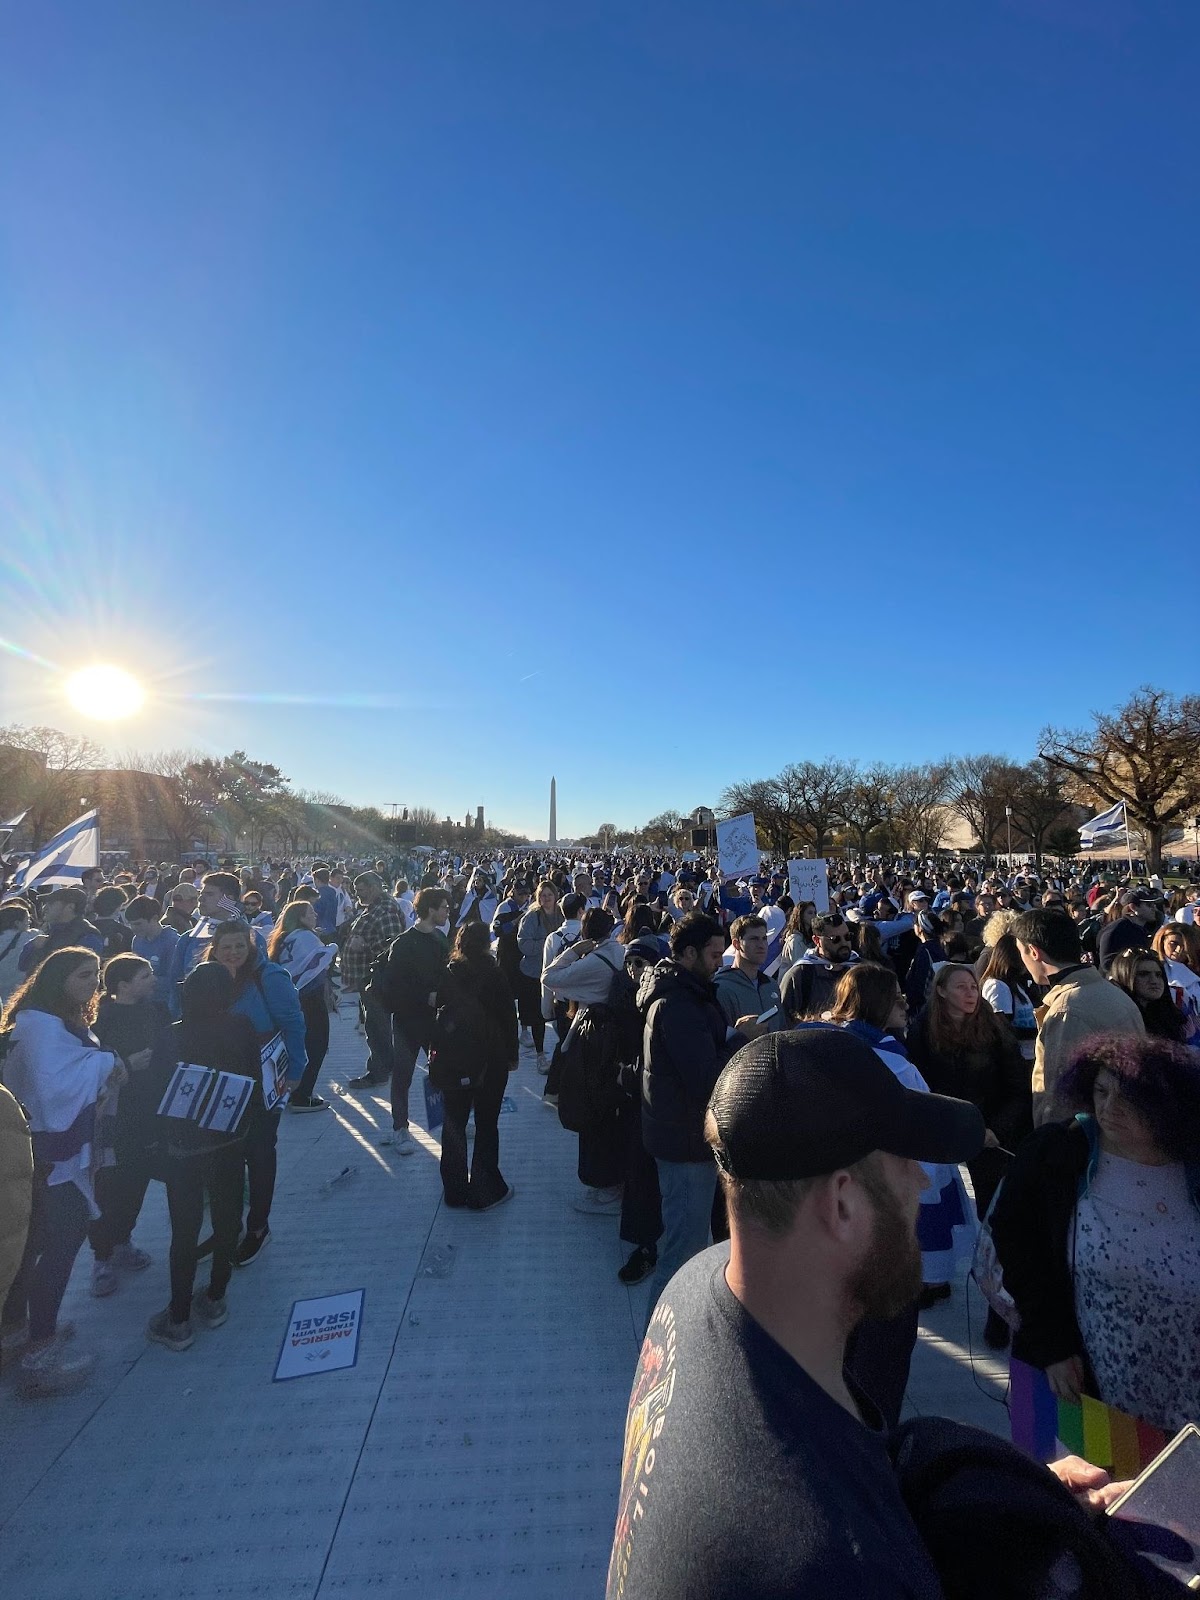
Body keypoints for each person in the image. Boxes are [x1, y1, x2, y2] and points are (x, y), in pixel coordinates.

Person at [609, 1027, 1003, 1599]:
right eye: (906, 1163)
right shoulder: (838, 1565)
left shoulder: (692, 1292)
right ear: (842, 1203)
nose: (922, 1180)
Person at [989, 1034, 1200, 1432]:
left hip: (1186, 1398)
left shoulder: (1191, 1163)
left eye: (1129, 1098)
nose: (1108, 1108)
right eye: (1101, 1091)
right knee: (1095, 1491)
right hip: (1085, 1389)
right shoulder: (1059, 1152)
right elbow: (1017, 1243)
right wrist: (1052, 1343)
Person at [828, 965, 980, 1410]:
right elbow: (925, 1154)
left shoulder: (823, 1046)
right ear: (876, 1004)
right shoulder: (893, 1064)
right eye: (896, 997)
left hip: (836, 1211)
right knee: (881, 1348)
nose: (905, 1003)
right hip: (886, 1212)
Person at [0, 948, 123, 1396]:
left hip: (30, 1157)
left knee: (27, 1246)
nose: (92, 982)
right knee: (59, 1246)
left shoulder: (38, 1018)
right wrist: (109, 1062)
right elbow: (55, 1092)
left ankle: (15, 1332)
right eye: (82, 974)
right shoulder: (42, 1026)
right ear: (55, 978)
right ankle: (40, 1357)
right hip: (48, 1158)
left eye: (96, 973)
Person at [637, 913, 765, 1320]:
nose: (719, 961)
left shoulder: (688, 991)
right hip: (684, 1143)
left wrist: (728, 1033)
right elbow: (706, 1077)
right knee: (681, 1250)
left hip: (685, 1133)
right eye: (713, 954)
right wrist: (741, 1042)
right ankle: (658, 1342)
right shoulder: (678, 1004)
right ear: (689, 953)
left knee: (692, 1239)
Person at [143, 963, 261, 1351]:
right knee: (228, 1220)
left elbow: (157, 1097)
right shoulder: (241, 1026)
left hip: (184, 1149)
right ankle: (215, 1298)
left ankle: (177, 1319)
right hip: (229, 1142)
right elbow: (255, 1080)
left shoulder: (171, 1035)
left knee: (185, 1230)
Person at [205, 920, 306, 1265]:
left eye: (239, 946)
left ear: (251, 948)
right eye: (225, 948)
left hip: (263, 1076)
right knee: (225, 1158)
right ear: (214, 951)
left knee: (260, 1154)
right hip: (222, 1080)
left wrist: (295, 1070)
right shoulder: (208, 980)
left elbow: (293, 1023)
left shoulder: (269, 977)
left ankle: (258, 1227)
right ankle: (226, 1228)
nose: (232, 953)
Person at [907, 964, 1031, 1223]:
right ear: (941, 991)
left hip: (991, 1134)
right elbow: (922, 1085)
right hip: (946, 1131)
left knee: (992, 1209)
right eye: (961, 987)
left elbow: (1017, 1086)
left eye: (974, 987)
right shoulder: (923, 1029)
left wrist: (997, 1129)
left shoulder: (994, 1027)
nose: (971, 993)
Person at [1010, 908, 1145, 1125]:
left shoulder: (1068, 1010)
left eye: (1021, 953)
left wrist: (1048, 1146)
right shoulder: (1112, 992)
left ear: (1034, 952)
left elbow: (1061, 1099)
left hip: (1084, 1140)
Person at [87, 953, 170, 1296]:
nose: (153, 978)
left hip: (151, 1113)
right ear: (123, 985)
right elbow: (89, 1068)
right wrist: (127, 1066)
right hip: (113, 1118)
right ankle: (102, 1257)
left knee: (136, 1180)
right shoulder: (100, 1020)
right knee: (108, 1186)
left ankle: (123, 1241)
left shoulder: (158, 1011)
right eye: (144, 974)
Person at [543, 907, 632, 1214]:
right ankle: (613, 1178)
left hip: (595, 1042)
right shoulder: (619, 952)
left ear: (585, 932)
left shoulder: (594, 961)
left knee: (592, 1110)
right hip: (617, 1041)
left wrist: (571, 951)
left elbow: (549, 977)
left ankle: (605, 1183)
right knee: (609, 1110)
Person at [433, 920, 518, 1211]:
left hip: (454, 1057)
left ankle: (454, 1191)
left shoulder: (449, 973)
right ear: (486, 944)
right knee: (486, 1123)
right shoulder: (495, 975)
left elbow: (439, 1008)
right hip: (490, 1057)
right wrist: (512, 1055)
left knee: (453, 1123)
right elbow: (509, 1017)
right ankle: (485, 1190)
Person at [369, 885, 451, 1151]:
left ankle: (449, 1122)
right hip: (407, 1021)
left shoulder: (440, 938)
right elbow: (394, 984)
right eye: (444, 907)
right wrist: (424, 995)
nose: (448, 911)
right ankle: (400, 1128)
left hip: (435, 1019)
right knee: (402, 1077)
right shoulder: (403, 943)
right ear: (430, 909)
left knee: (443, 1071)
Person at [268, 900, 336, 1110]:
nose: (315, 914)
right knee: (316, 1045)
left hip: (291, 997)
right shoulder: (306, 936)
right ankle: (302, 1094)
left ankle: (293, 1090)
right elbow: (313, 964)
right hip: (308, 997)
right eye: (310, 912)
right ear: (301, 917)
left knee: (300, 1045)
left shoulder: (282, 938)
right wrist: (333, 948)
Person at [343, 871, 408, 1090]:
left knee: (377, 1026)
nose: (357, 894)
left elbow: (393, 945)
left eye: (360, 890)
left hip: (376, 978)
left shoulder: (385, 910)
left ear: (373, 887)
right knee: (374, 1025)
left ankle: (378, 1071)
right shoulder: (374, 908)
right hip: (367, 977)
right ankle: (385, 1065)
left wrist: (364, 947)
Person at [778, 911, 858, 1021]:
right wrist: (820, 1019)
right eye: (835, 939)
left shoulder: (859, 971)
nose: (844, 943)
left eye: (847, 936)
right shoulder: (800, 975)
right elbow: (784, 1020)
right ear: (817, 941)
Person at [517, 882, 562, 1073]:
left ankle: (563, 1053)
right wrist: (547, 945)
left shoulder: (562, 915)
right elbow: (523, 944)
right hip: (534, 972)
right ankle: (540, 1054)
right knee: (537, 1016)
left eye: (549, 895)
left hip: (559, 971)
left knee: (559, 1013)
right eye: (542, 895)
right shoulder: (531, 917)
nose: (546, 898)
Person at [712, 916, 784, 1034]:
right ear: (736, 944)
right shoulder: (721, 989)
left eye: (764, 938)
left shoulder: (771, 985)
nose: (761, 945)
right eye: (754, 939)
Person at [1106, 948, 1188, 1044]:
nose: (1154, 981)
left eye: (1158, 975)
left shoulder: (1168, 1016)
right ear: (1125, 976)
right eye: (1143, 974)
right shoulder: (1119, 1018)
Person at [979, 932, 1039, 1064]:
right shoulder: (997, 986)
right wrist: (1037, 1032)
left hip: (1029, 1056)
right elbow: (1001, 1029)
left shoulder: (1016, 984)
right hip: (1015, 1060)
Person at [18, 887, 105, 975]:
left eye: (51, 903)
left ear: (70, 907)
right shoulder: (52, 931)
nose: (44, 908)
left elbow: (82, 974)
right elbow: (23, 965)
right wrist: (33, 946)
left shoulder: (87, 936)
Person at [124, 895, 180, 1007]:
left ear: (154, 918)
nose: (133, 928)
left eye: (138, 923)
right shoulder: (137, 940)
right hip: (141, 1003)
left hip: (163, 1005)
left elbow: (175, 981)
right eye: (130, 924)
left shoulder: (172, 942)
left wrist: (143, 981)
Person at [1096, 887, 1160, 972]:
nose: (1154, 909)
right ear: (1133, 907)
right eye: (1149, 905)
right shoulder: (1116, 930)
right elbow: (1107, 964)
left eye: (1154, 905)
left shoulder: (1145, 929)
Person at [0, 899, 36, 1003]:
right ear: (17, 923)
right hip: (15, 993)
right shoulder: (30, 937)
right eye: (27, 919)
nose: (30, 922)